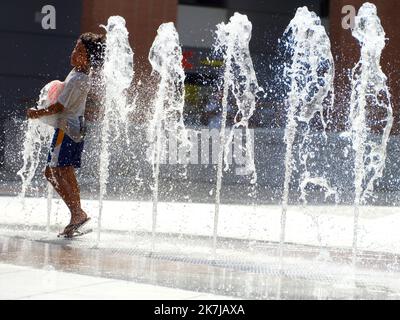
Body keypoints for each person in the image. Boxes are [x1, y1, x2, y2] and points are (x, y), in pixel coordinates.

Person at [27, 32, 105, 236]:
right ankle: (76, 217)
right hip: (75, 128)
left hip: (66, 130)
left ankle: (77, 213)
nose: (74, 53)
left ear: (89, 58)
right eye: (75, 48)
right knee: (66, 172)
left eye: (80, 51)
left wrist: (37, 113)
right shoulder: (80, 74)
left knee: (51, 172)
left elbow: (59, 107)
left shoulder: (78, 78)